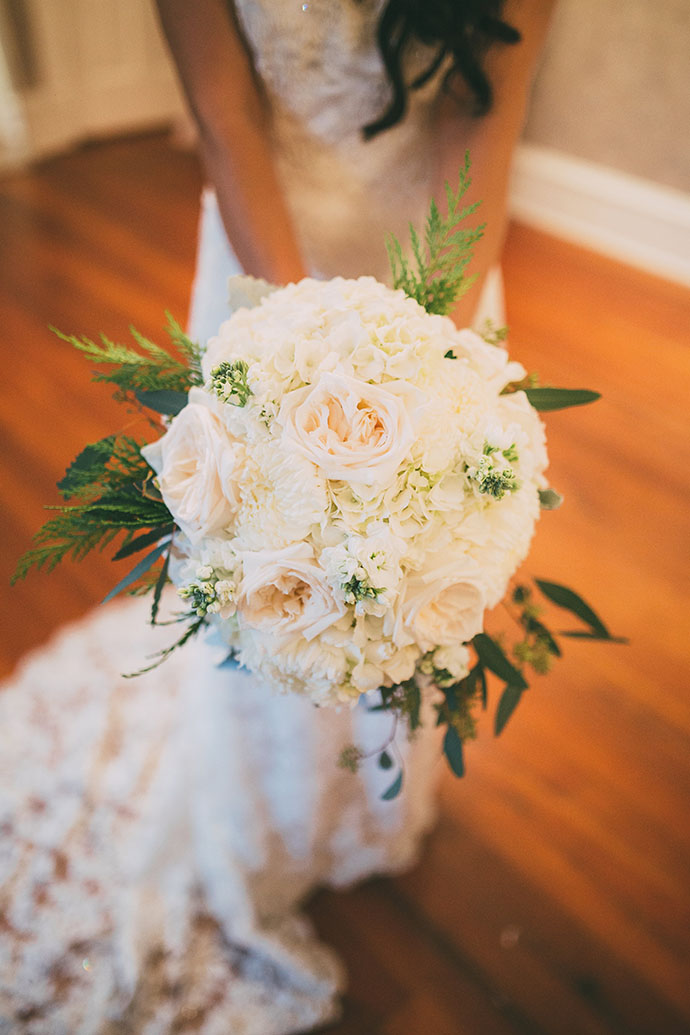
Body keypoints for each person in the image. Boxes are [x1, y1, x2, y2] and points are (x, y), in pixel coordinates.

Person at [0, 2, 554, 1031]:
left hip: (439, 252)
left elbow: (486, 121)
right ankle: (265, 814)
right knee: (256, 562)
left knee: (420, 568)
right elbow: (226, 113)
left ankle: (372, 806)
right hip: (265, 265)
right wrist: (300, 365)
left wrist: (428, 374)